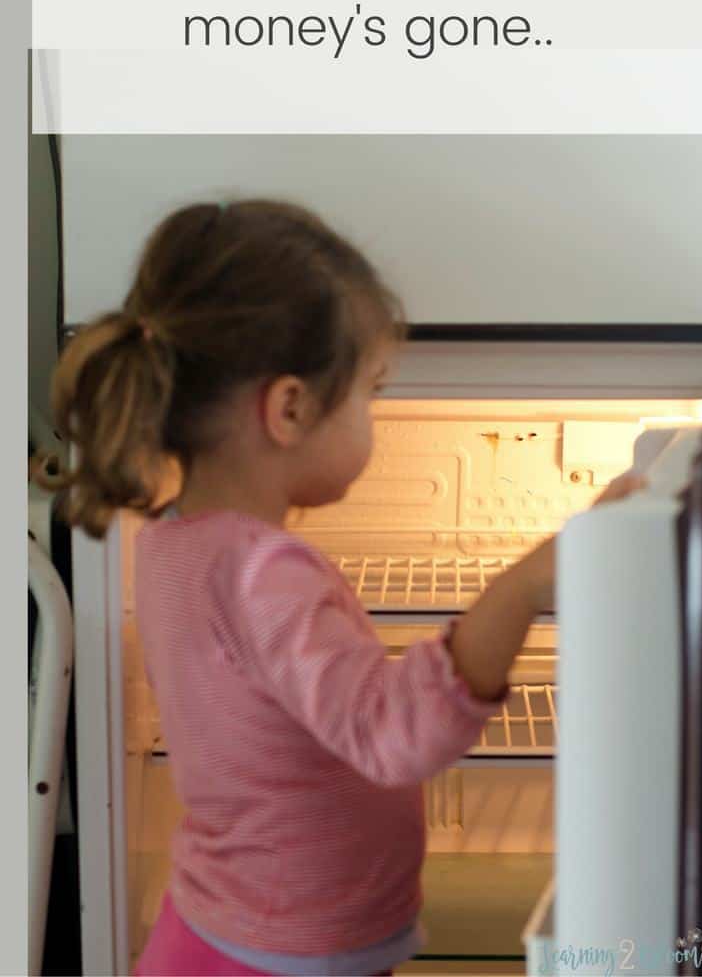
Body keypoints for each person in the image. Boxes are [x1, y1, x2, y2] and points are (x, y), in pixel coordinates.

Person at [47, 200, 644, 977]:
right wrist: (524, 583)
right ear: (289, 408)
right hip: (283, 955)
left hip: (216, 927)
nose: (374, 412)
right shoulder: (265, 574)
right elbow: (395, 737)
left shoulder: (171, 543)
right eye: (372, 390)